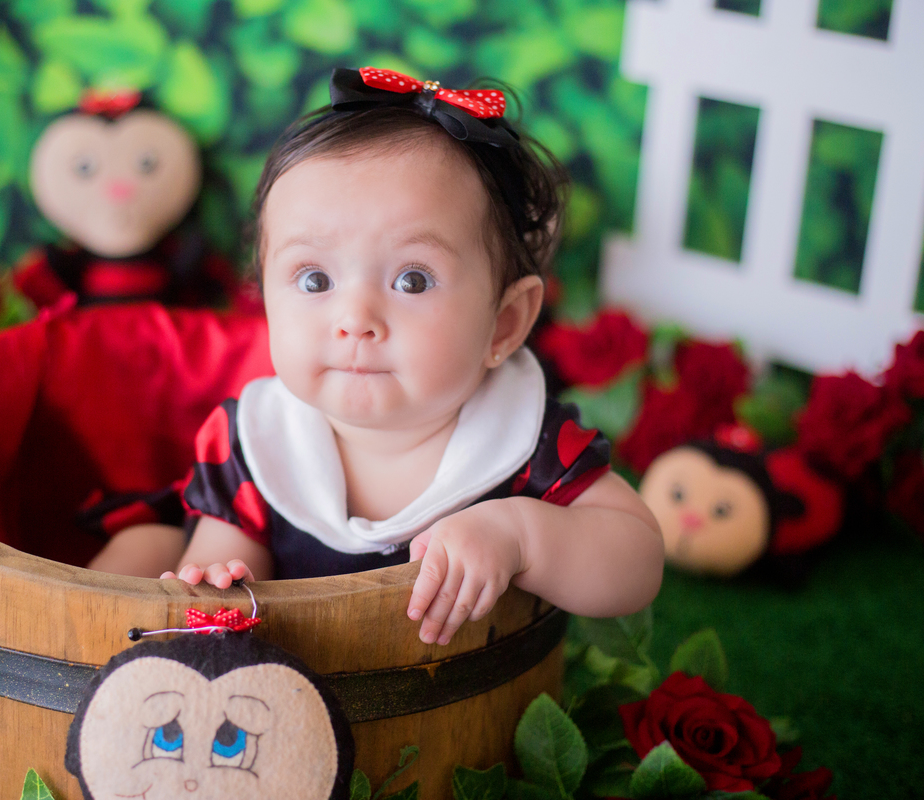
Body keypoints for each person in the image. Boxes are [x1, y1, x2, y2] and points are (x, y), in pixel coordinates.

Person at [158, 68, 664, 646]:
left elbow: (638, 562)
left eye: (414, 281)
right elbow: (222, 560)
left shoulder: (525, 444)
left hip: (464, 714)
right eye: (315, 277)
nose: (355, 319)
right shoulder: (256, 442)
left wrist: (523, 535)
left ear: (505, 323)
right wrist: (224, 579)